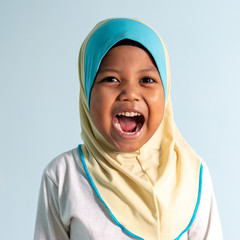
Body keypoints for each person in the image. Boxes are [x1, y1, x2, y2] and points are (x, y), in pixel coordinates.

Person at [34, 18, 223, 240]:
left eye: (147, 79)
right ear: (87, 91)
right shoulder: (63, 176)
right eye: (111, 79)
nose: (130, 93)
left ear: (166, 91)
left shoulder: (192, 174)